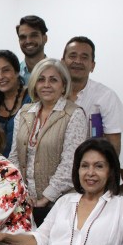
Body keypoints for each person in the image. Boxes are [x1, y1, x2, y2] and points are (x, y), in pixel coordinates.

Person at [9, 58, 88, 225]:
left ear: (64, 86)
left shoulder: (74, 114)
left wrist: (45, 198)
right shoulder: (24, 113)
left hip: (59, 201)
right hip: (25, 199)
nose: (46, 84)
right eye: (41, 79)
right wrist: (21, 192)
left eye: (53, 80)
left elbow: (71, 163)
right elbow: (14, 156)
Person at [61, 36, 123, 155]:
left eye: (84, 57)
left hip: (92, 168)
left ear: (92, 66)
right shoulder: (52, 94)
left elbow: (113, 146)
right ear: (62, 62)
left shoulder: (106, 97)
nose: (78, 61)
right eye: (72, 56)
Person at [0, 50, 31, 156]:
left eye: (6, 70)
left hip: (23, 163)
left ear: (17, 72)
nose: (0, 76)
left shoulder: (31, 98)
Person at [16, 15, 48, 84]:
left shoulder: (58, 73)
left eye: (33, 35)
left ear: (45, 38)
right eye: (23, 37)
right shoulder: (14, 75)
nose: (28, 41)